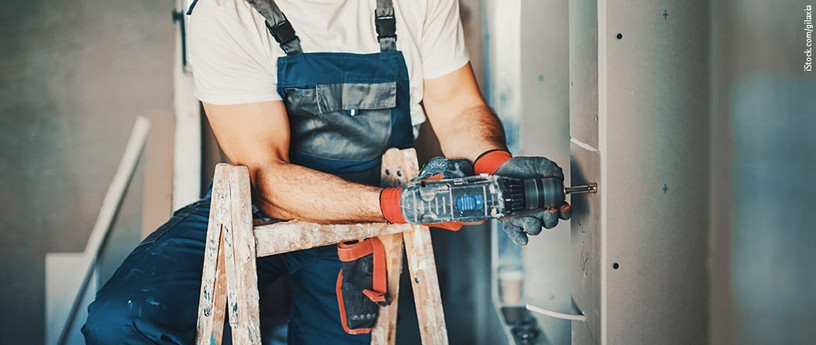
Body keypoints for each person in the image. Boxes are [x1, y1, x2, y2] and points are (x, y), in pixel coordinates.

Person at [82, 0, 570, 343]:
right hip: (263, 204)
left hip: (375, 208)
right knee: (122, 322)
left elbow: (458, 105)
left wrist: (495, 168)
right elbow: (266, 176)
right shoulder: (223, 10)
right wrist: (401, 206)